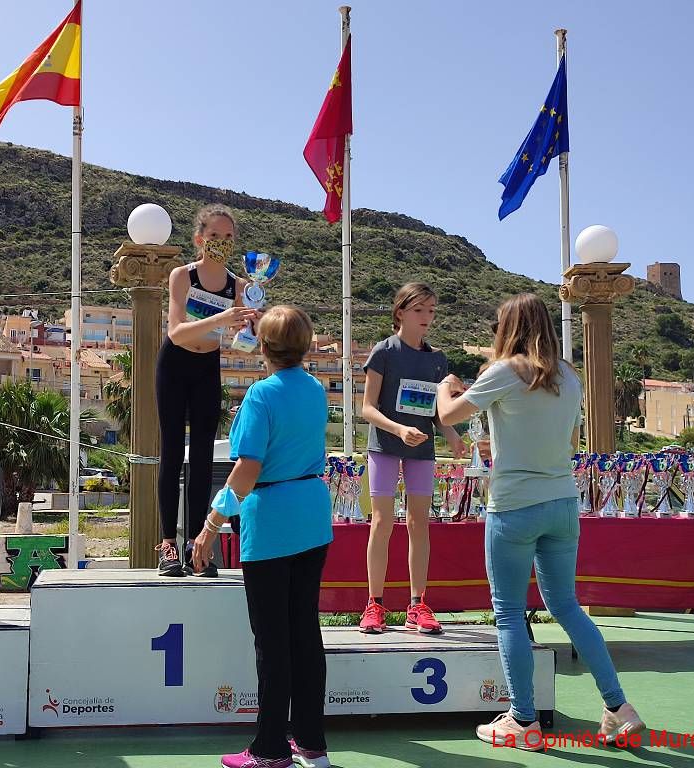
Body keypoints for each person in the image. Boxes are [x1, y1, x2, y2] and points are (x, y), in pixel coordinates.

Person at [435, 293, 645, 750]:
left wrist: (444, 385)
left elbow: (447, 415)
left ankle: (522, 719)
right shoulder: (569, 377)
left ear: (506, 328)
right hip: (562, 505)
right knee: (567, 606)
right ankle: (618, 707)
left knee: (509, 611)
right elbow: (565, 439)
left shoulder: (503, 371)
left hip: (514, 506)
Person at [194, 306, 333, 768]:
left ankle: (270, 748)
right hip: (312, 518)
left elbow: (246, 471)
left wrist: (211, 525)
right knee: (304, 634)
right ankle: (311, 741)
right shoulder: (315, 388)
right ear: (306, 345)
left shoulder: (260, 395)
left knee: (272, 641)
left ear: (263, 348)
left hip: (271, 525)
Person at [157, 204, 258, 577]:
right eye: (214, 236)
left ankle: (197, 545)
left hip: (207, 368)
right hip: (174, 364)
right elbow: (176, 330)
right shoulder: (182, 275)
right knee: (171, 452)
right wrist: (220, 318)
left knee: (202, 457)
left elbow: (240, 339)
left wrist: (251, 328)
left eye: (228, 237)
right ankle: (168, 544)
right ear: (200, 239)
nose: (221, 243)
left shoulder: (239, 286)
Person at [358, 283, 465, 636]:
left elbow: (439, 410)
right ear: (400, 312)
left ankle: (417, 603)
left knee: (420, 523)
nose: (427, 318)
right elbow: (367, 408)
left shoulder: (437, 360)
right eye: (420, 310)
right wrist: (399, 429)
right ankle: (374, 604)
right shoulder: (383, 352)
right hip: (384, 447)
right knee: (381, 522)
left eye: (432, 311)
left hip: (422, 450)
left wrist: (451, 434)